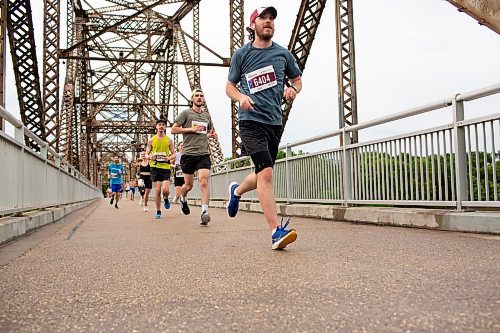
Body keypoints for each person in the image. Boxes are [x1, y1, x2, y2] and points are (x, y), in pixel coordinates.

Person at [225, 6, 302, 250]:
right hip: (250, 121)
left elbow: (297, 80)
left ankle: (237, 191)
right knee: (267, 173)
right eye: (263, 18)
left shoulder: (283, 54)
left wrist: (293, 90)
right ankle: (275, 232)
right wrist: (240, 98)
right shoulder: (242, 55)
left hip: (273, 122)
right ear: (253, 25)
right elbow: (229, 86)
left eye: (271, 19)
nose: (268, 22)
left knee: (261, 174)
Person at [171, 88, 218, 226]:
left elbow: (205, 133)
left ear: (203, 99)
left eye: (201, 96)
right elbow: (174, 129)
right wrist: (190, 129)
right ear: (192, 99)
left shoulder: (206, 116)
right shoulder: (186, 113)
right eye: (196, 96)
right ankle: (183, 199)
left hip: (203, 153)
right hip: (188, 154)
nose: (199, 98)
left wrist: (211, 135)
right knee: (189, 185)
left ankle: (204, 212)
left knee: (204, 181)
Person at [145, 118, 175, 219]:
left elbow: (174, 154)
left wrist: (168, 158)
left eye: (163, 125)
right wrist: (149, 157)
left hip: (165, 167)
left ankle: (166, 198)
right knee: (157, 190)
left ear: (165, 127)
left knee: (165, 190)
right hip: (155, 167)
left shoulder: (169, 140)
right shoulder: (151, 140)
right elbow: (146, 153)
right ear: (156, 127)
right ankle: (158, 211)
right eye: (159, 125)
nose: (161, 126)